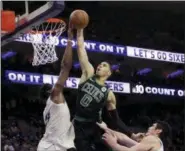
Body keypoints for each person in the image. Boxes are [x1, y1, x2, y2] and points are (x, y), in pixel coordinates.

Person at [73, 28, 138, 151]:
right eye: (100, 64)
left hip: (96, 127)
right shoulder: (88, 74)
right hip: (78, 124)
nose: (100, 66)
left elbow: (116, 119)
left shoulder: (109, 94)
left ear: (108, 72)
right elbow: (81, 50)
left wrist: (131, 133)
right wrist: (80, 31)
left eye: (104, 65)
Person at [37, 27, 76, 151]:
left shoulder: (46, 111)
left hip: (47, 145)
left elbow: (62, 125)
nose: (56, 87)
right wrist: (69, 40)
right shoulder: (55, 96)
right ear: (50, 92)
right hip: (55, 147)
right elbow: (65, 67)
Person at [97, 120, 172, 151]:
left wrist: (113, 144)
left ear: (158, 131)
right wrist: (106, 128)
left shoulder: (153, 139)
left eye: (152, 126)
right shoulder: (156, 144)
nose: (149, 128)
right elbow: (125, 139)